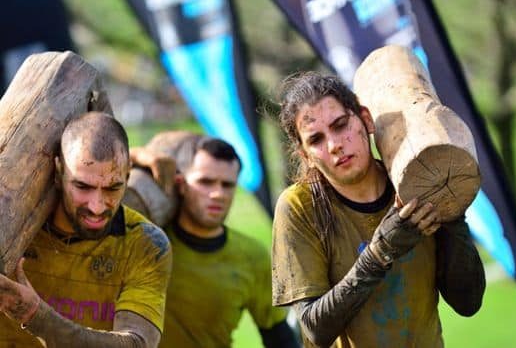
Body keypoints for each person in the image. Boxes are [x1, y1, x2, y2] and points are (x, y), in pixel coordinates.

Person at [271, 72, 486, 347]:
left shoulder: (413, 184)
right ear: (305, 155)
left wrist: (453, 215)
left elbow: (467, 302)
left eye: (340, 125)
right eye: (316, 140)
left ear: (366, 119)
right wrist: (379, 254)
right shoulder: (299, 207)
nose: (335, 145)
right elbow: (316, 329)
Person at [0, 112, 172, 347]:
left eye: (113, 188)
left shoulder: (145, 244)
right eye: (82, 186)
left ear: (128, 174)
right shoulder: (11, 226)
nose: (97, 206)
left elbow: (136, 344)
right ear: (58, 171)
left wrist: (35, 315)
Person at [128, 133, 300, 348]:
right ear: (180, 183)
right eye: (206, 182)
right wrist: (136, 154)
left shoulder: (252, 257)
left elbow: (279, 338)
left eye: (227, 185)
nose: (218, 194)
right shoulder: (148, 242)